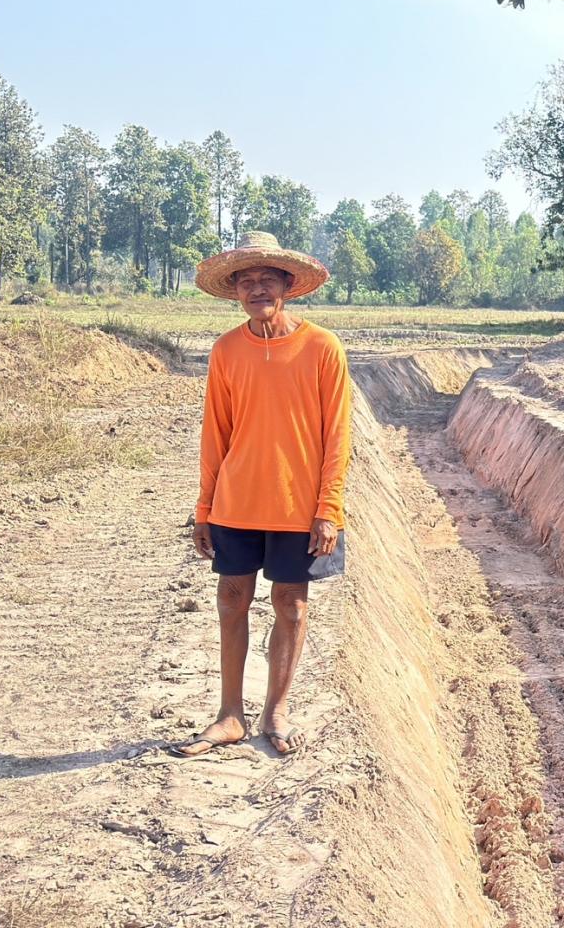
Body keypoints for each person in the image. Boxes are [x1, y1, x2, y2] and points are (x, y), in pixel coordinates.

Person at [170, 231, 351, 757]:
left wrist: (329, 509)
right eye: (245, 281)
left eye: (267, 279)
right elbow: (215, 433)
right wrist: (204, 508)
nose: (256, 289)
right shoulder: (226, 351)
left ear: (288, 286)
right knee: (231, 599)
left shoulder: (322, 348)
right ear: (235, 292)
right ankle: (230, 715)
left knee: (291, 604)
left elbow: (337, 437)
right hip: (237, 501)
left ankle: (277, 711)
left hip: (300, 505)